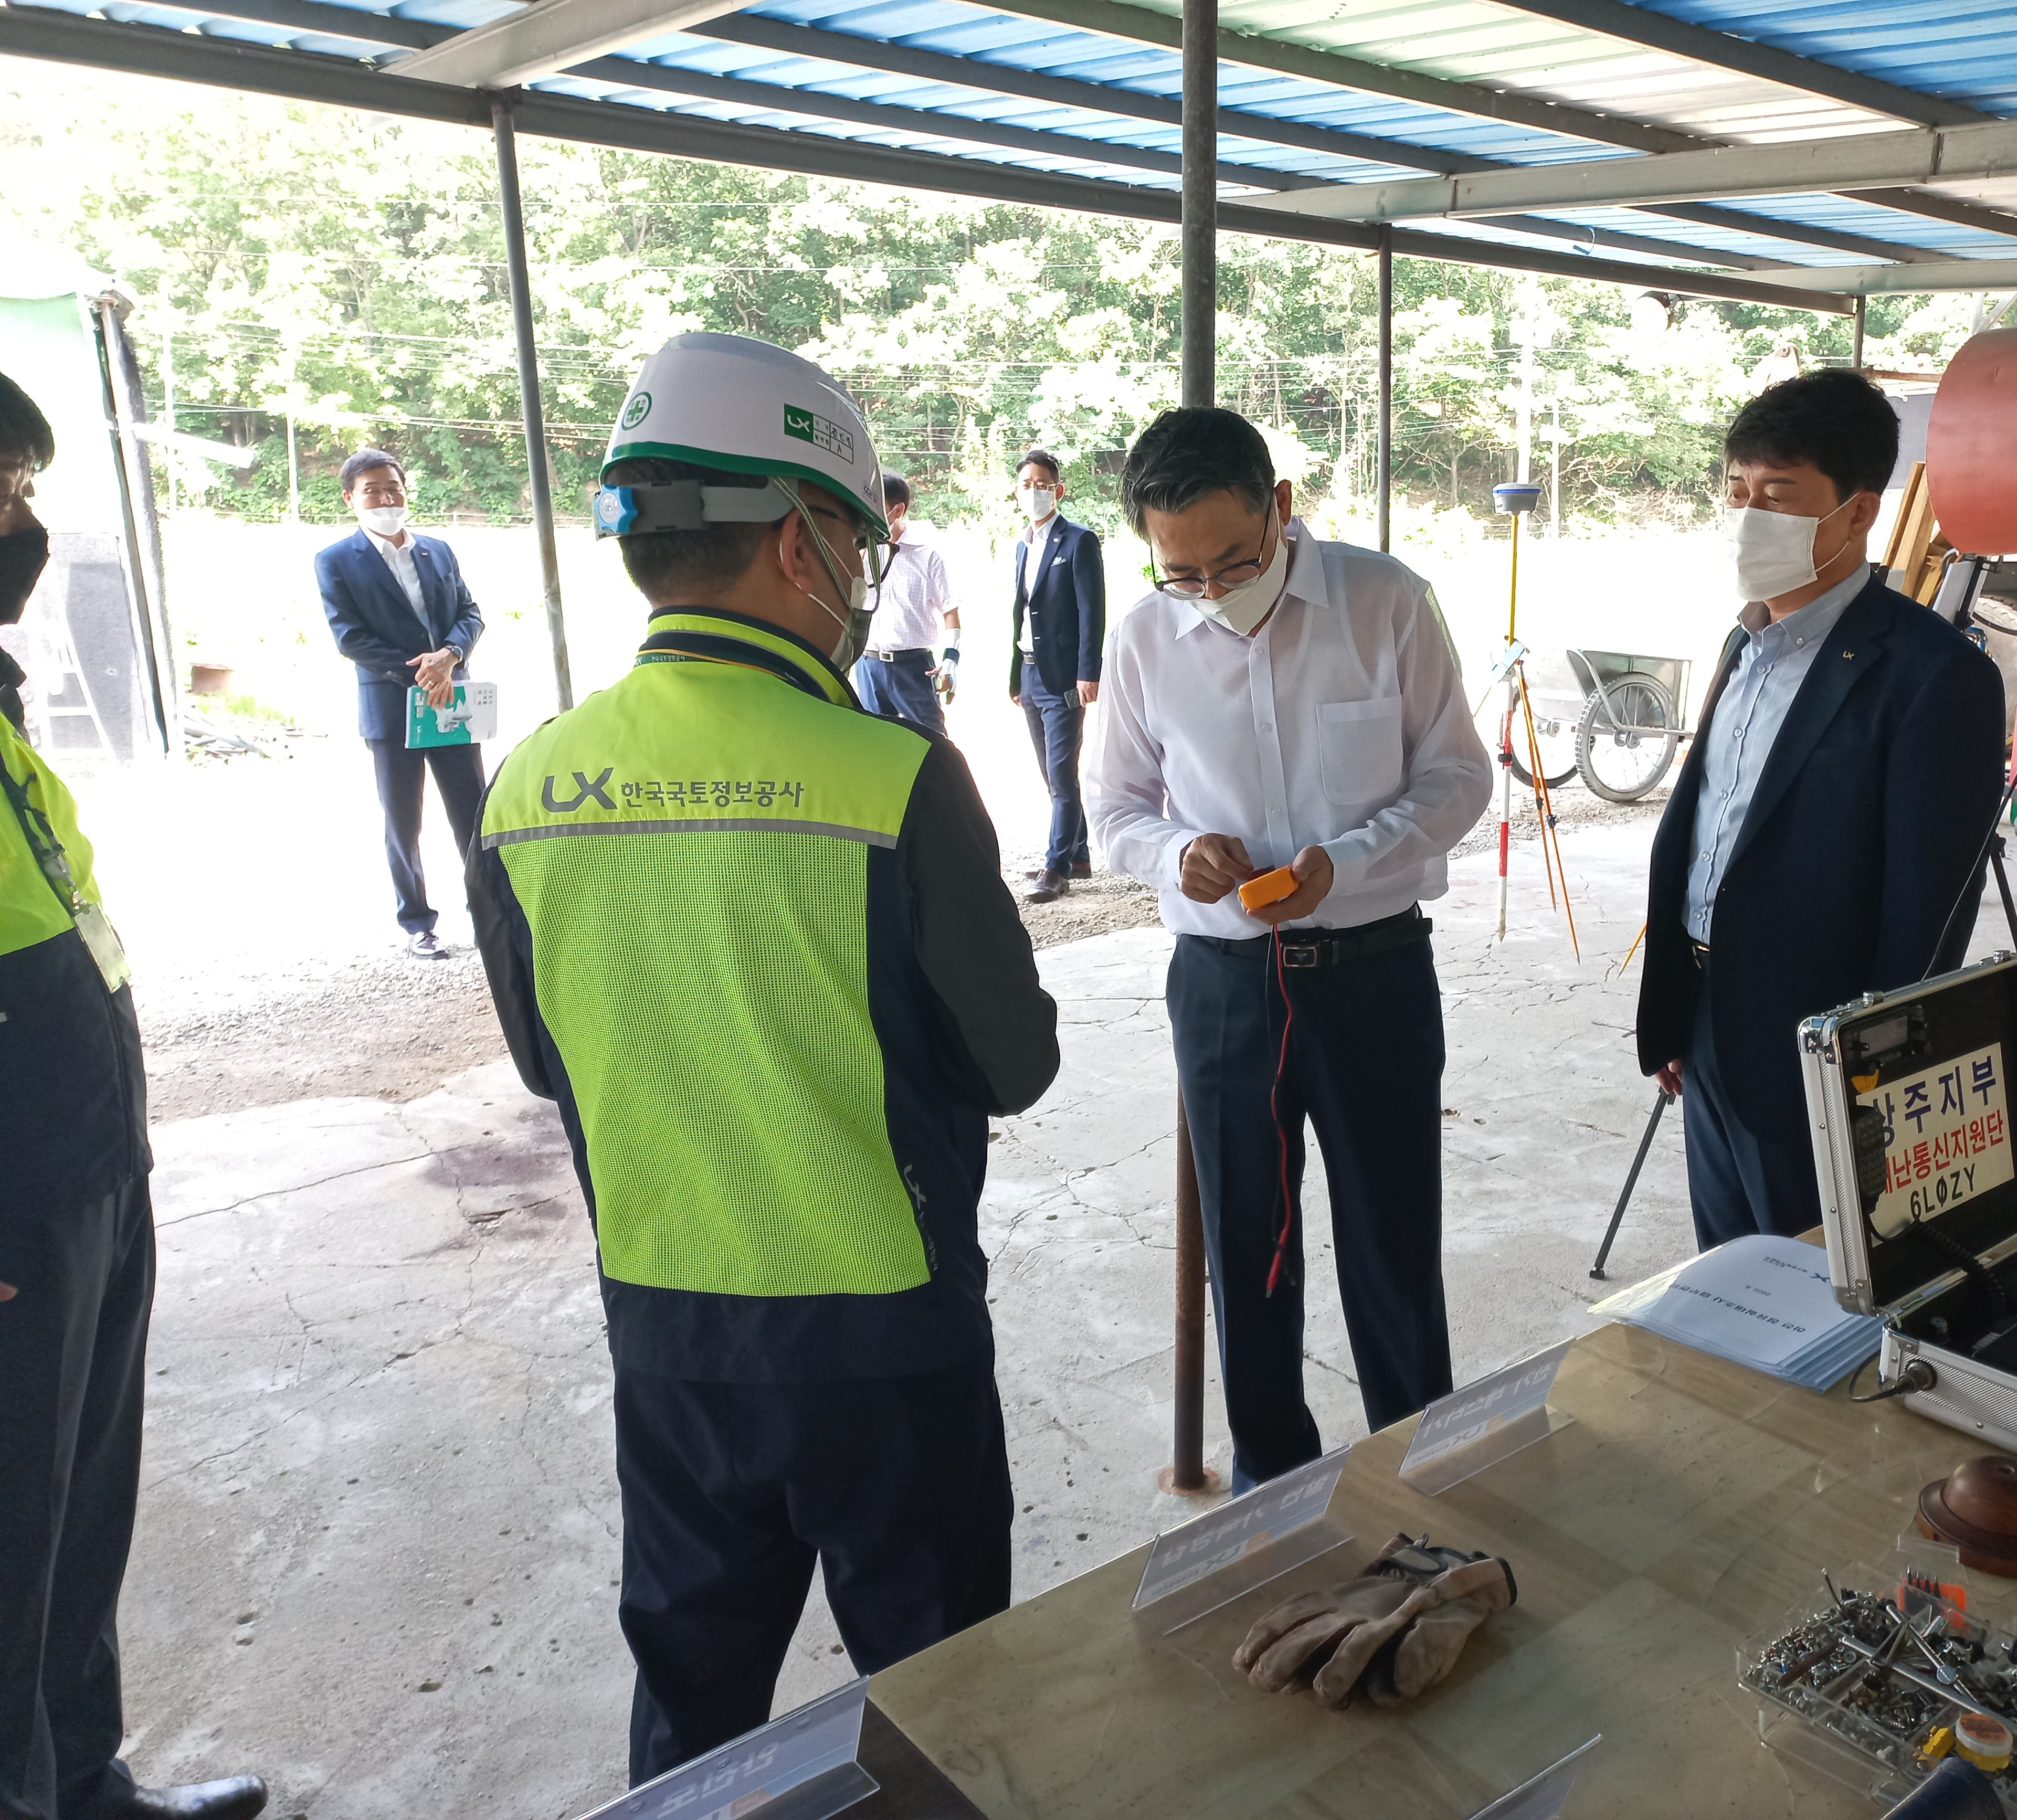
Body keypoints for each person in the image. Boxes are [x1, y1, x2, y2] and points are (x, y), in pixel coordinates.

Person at [468, 332, 1058, 1786]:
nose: (863, 572)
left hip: (670, 1332)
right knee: (940, 1702)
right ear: (802, 541)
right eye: (855, 536)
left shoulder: (530, 781)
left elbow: (552, 1063)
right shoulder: (893, 775)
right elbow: (1012, 1062)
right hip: (883, 1335)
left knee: (691, 1693)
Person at [1084, 407, 1491, 1491]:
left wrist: (1342, 865)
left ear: (1281, 509)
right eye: (1184, 574)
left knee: (1391, 1243)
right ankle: (1275, 1483)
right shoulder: (1141, 640)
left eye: (1235, 561)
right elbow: (1114, 809)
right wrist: (1179, 854)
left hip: (1371, 973)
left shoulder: (1384, 602)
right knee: (1248, 1253)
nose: (1212, 591)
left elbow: (1456, 777)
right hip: (1223, 987)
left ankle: (1420, 1461)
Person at [0, 373, 268, 1820]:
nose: (25, 527)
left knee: (72, 1497)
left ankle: (80, 1774)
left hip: (81, 1150)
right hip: (12, 1181)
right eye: (2, 492)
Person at [1636, 369, 2005, 1250]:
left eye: (1778, 495)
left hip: (1821, 1053)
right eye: (1736, 492)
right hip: (1707, 1026)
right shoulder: (1744, 642)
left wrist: (1862, 1074)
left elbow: (1924, 915)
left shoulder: (1931, 676)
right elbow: (1707, 830)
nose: (1747, 516)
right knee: (1731, 1280)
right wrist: (1678, 1009)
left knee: (1824, 1295)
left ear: (1856, 511)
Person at [314, 449, 485, 960]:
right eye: (372, 490)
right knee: (403, 819)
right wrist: (422, 671)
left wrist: (450, 657)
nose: (386, 498)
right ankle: (417, 923)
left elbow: (471, 613)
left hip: (453, 697)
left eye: (393, 487)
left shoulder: (438, 550)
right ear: (350, 499)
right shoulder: (336, 560)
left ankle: (486, 911)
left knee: (473, 812)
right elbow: (350, 638)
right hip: (392, 707)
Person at [1006, 449, 1103, 903]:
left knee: (1063, 774)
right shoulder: (1023, 544)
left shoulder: (1079, 541)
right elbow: (1020, 614)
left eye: (1042, 484)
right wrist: (1013, 677)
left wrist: (1089, 672)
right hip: (1028, 674)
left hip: (1064, 678)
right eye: (1026, 484)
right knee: (1050, 773)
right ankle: (1078, 853)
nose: (1034, 492)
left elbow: (1091, 611)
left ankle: (1056, 866)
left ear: (1058, 490)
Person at [851, 470, 959, 736]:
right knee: (871, 744)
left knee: (933, 744)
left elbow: (951, 612)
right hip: (869, 664)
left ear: (898, 510)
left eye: (877, 506)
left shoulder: (927, 555)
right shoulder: (857, 550)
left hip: (913, 667)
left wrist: (951, 660)